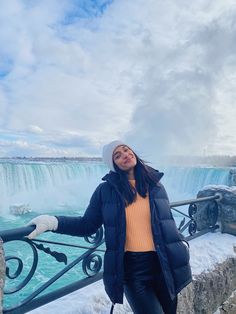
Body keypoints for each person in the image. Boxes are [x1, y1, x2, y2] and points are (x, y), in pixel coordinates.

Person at [27, 140, 192, 314]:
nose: (125, 156)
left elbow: (166, 223)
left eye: (126, 150)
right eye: (117, 155)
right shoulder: (105, 191)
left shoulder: (156, 186)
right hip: (134, 271)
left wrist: (181, 243)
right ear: (113, 164)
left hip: (164, 265)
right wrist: (53, 222)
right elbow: (87, 225)